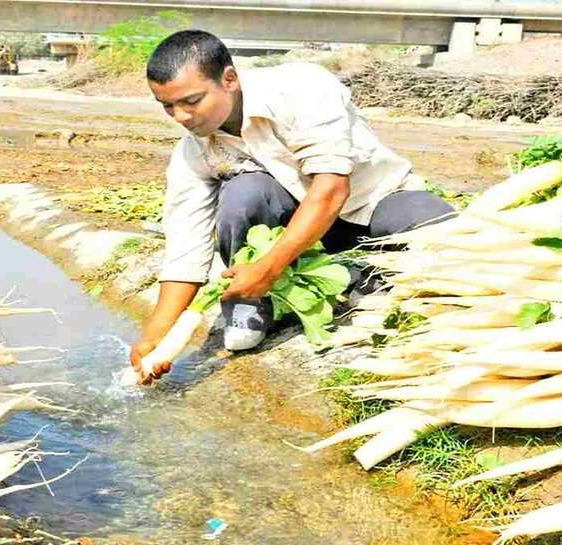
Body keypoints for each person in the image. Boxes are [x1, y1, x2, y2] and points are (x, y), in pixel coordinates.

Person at [130, 30, 453, 383]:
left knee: (440, 229)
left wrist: (267, 270)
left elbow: (331, 188)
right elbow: (186, 247)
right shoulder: (195, 151)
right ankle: (254, 305)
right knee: (245, 193)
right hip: (299, 235)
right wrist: (156, 335)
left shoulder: (301, 88)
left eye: (192, 101)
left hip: (374, 206)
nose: (181, 116)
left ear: (229, 79)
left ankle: (363, 275)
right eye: (168, 106)